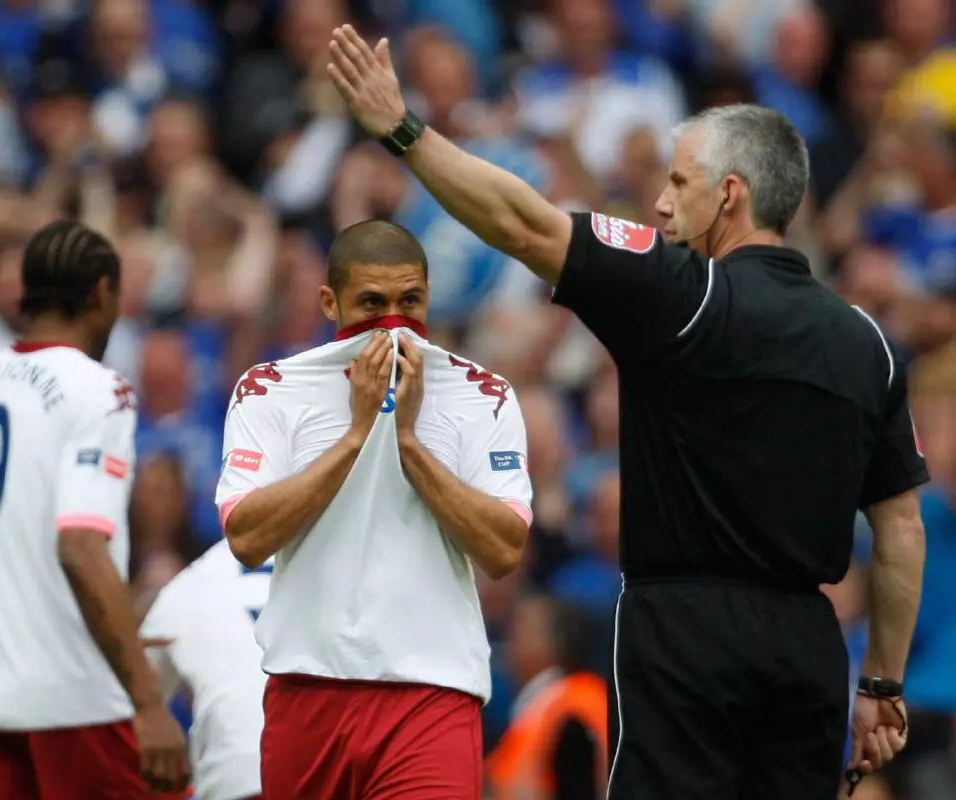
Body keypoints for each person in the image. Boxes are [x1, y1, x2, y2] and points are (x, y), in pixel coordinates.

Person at [327, 26, 929, 799]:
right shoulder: (868, 345)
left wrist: (404, 131)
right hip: (809, 648)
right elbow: (901, 529)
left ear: (731, 195)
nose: (660, 202)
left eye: (679, 184)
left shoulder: (682, 290)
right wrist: (880, 681)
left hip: (683, 634)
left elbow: (522, 222)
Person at [217, 219, 533, 799]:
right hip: (307, 687)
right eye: (372, 302)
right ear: (329, 301)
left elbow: (503, 547)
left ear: (429, 296)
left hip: (431, 690)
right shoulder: (270, 388)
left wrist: (409, 442)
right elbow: (247, 537)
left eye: (409, 300)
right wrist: (357, 434)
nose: (393, 320)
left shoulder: (481, 393)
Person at [0, 220, 190, 799]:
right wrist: (149, 702)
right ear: (103, 292)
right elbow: (80, 546)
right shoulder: (100, 390)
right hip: (74, 699)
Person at [140, 541, 271, 800]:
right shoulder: (336, 567)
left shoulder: (184, 587)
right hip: (325, 763)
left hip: (234, 773)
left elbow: (134, 708)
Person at [485, 595, 609, 800]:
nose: (509, 639)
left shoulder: (582, 700)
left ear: (554, 644)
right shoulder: (539, 704)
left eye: (521, 628)